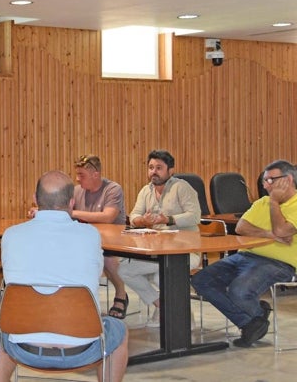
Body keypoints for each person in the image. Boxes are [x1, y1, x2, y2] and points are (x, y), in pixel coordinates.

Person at [0, 171, 128, 382]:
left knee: (0, 334)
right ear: (72, 202)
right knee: (119, 329)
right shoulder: (90, 236)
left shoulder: (11, 235)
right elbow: (93, 278)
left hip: (22, 348)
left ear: (35, 199)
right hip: (83, 348)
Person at [192, 160, 297, 347]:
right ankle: (252, 320)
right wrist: (269, 234)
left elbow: (282, 230)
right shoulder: (261, 202)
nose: (265, 185)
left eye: (270, 180)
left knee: (239, 291)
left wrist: (274, 201)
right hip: (245, 256)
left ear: (288, 179)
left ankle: (253, 318)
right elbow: (241, 227)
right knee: (201, 280)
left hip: (279, 263)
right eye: (264, 181)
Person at [122, 149, 201, 326]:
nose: (153, 172)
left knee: (162, 275)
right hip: (157, 250)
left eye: (159, 168)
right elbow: (133, 215)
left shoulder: (182, 187)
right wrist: (142, 220)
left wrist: (169, 219)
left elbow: (195, 216)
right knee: (124, 271)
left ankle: (184, 315)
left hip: (186, 250)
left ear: (170, 171)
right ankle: (162, 306)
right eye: (150, 167)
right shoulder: (145, 191)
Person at [71, 154, 130, 319]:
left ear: (95, 174)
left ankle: (121, 295)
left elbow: (108, 217)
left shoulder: (112, 189)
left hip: (113, 243)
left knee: (108, 260)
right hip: (86, 241)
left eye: (81, 175)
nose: (77, 179)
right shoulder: (77, 191)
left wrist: (73, 212)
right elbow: (63, 210)